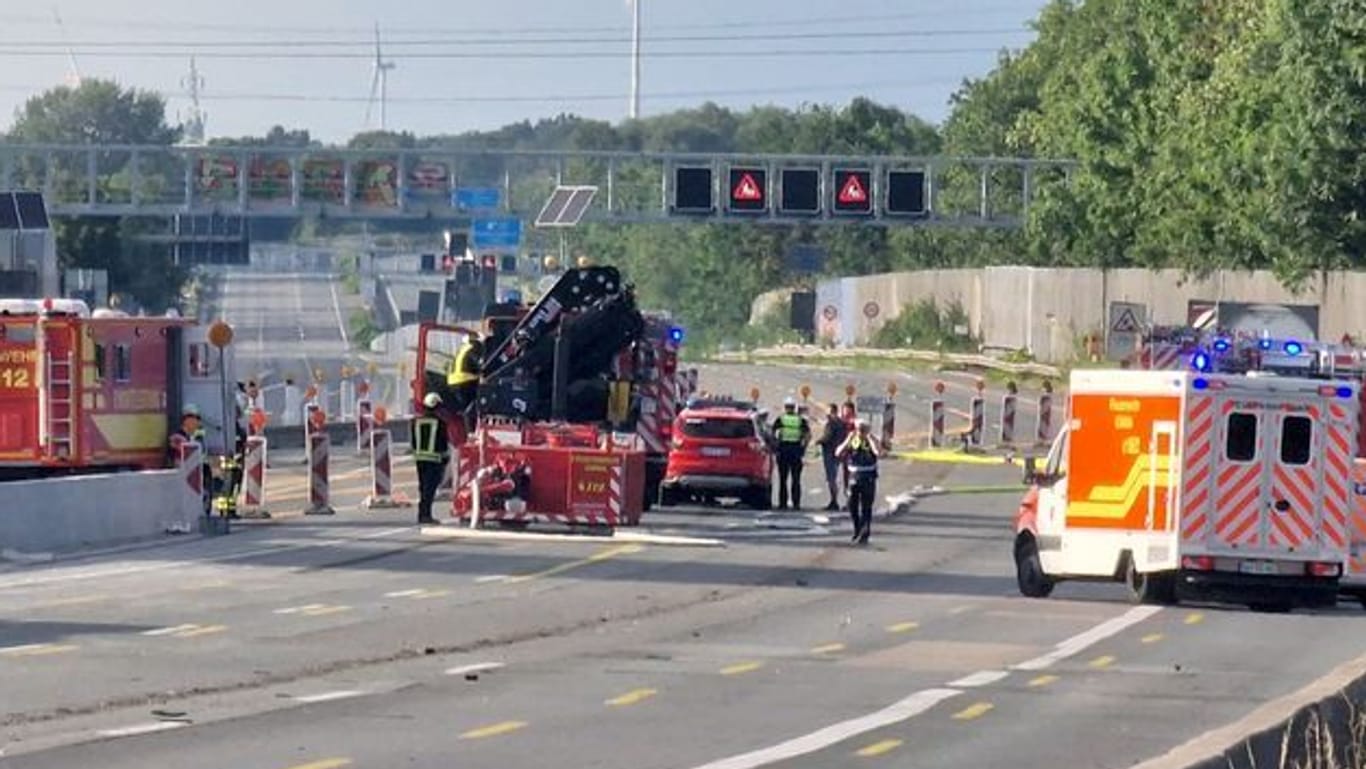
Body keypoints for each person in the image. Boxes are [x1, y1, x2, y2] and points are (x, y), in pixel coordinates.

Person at [838, 418, 882, 546]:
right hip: (854, 477)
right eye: (858, 429)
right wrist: (848, 440)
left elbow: (878, 452)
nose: (860, 431)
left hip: (868, 476)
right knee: (852, 505)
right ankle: (857, 529)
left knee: (866, 507)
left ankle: (865, 532)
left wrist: (870, 439)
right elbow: (838, 452)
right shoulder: (852, 439)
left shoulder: (872, 440)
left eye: (863, 429)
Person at [412, 392, 451, 525]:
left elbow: (413, 442)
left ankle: (422, 514)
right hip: (434, 460)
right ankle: (426, 515)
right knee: (430, 490)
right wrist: (445, 460)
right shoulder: (440, 423)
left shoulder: (415, 421)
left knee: (423, 488)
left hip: (419, 460)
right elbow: (443, 444)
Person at [770, 396, 811, 510]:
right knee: (796, 479)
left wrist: (775, 447)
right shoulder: (800, 420)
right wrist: (803, 448)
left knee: (783, 479)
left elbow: (772, 434)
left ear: (785, 407)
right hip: (796, 451)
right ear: (794, 407)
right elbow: (808, 435)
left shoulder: (781, 419)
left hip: (783, 450)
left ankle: (783, 504)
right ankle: (796, 503)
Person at [816, 403, 849, 511]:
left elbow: (827, 437)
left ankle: (834, 501)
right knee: (836, 477)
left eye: (828, 411)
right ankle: (836, 501)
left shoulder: (831, 423)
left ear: (832, 411)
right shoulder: (842, 423)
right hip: (839, 452)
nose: (826, 413)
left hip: (830, 452)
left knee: (832, 478)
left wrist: (818, 441)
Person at [447, 333, 484, 412]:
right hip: (465, 381)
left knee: (466, 406)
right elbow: (478, 361)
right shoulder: (475, 346)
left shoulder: (463, 348)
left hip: (453, 381)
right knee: (476, 403)